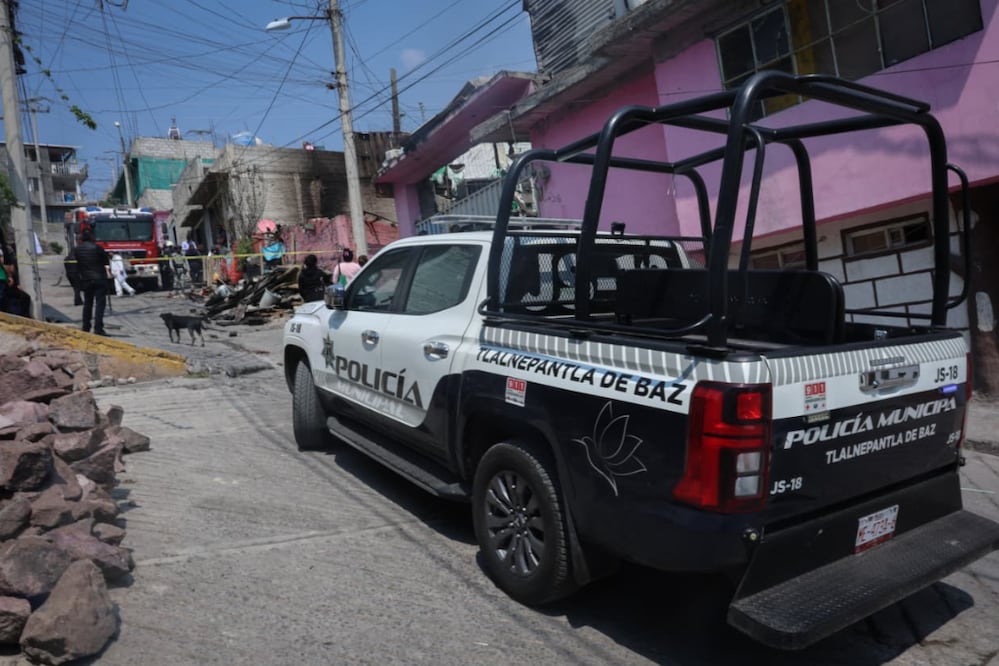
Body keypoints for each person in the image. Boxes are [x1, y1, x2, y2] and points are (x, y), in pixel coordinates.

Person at [69, 228, 110, 335]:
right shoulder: (97, 248)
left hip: (86, 279)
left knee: (88, 304)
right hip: (100, 279)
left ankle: (86, 326)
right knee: (100, 305)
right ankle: (98, 328)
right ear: (92, 237)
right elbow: (106, 262)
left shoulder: (77, 250)